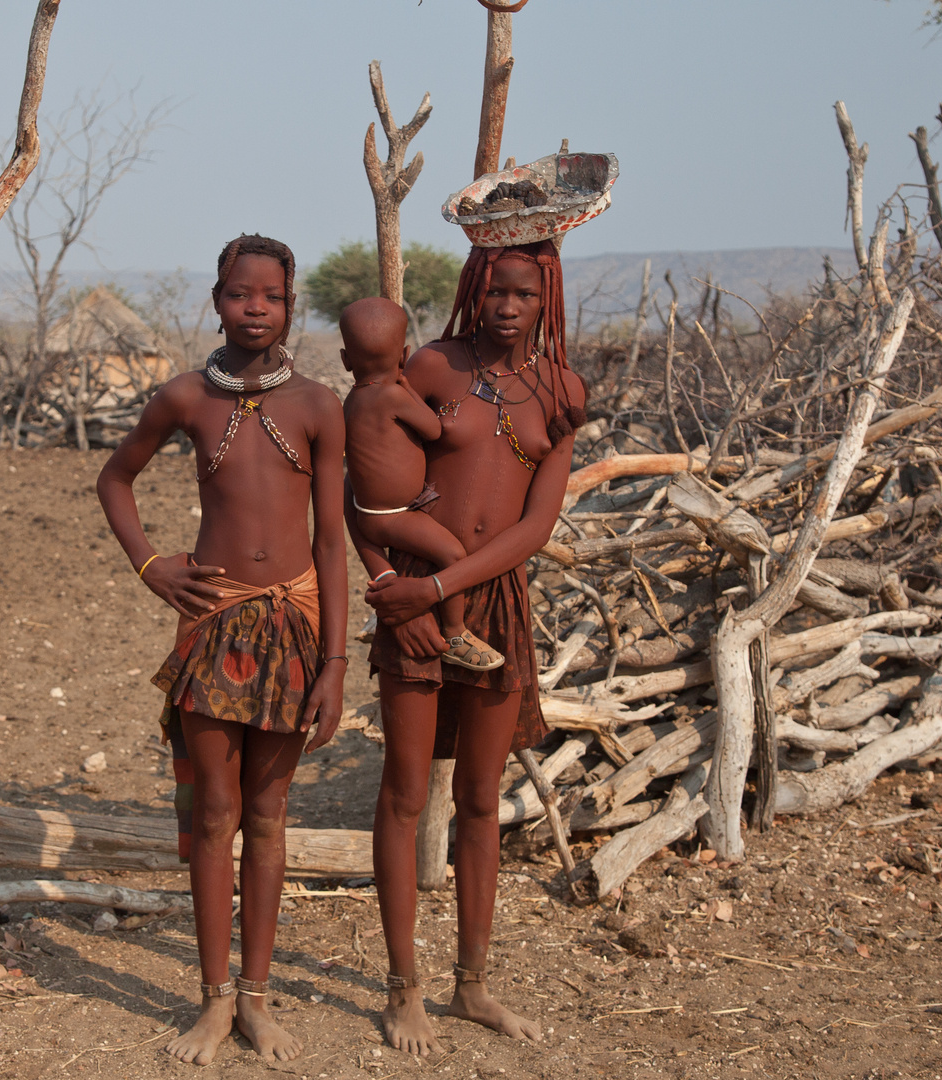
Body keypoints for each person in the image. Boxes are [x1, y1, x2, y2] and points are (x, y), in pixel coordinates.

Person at [96, 234, 348, 1067]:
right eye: (240, 294)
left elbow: (335, 542)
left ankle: (258, 999)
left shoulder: (317, 404)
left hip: (294, 627)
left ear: (288, 306)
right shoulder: (182, 399)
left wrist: (336, 664)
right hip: (212, 623)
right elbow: (114, 478)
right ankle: (210, 1001)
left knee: (269, 818)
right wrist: (150, 564)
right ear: (217, 300)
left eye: (270, 297)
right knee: (214, 812)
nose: (254, 308)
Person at [350, 239, 586, 1056]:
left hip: (487, 603)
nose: (506, 307)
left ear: (545, 295)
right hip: (412, 598)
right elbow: (367, 487)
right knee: (405, 792)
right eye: (493, 291)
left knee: (482, 798)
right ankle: (401, 987)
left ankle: (474, 985)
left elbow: (536, 526)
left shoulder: (562, 390)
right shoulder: (431, 366)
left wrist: (442, 590)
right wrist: (390, 587)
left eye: (522, 293)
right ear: (472, 293)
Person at [339, 296, 504, 672]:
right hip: (395, 517)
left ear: (347, 360)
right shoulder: (395, 394)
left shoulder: (351, 401)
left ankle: (453, 629)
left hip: (368, 514)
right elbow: (433, 429)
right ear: (405, 354)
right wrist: (408, 386)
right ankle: (456, 632)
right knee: (453, 554)